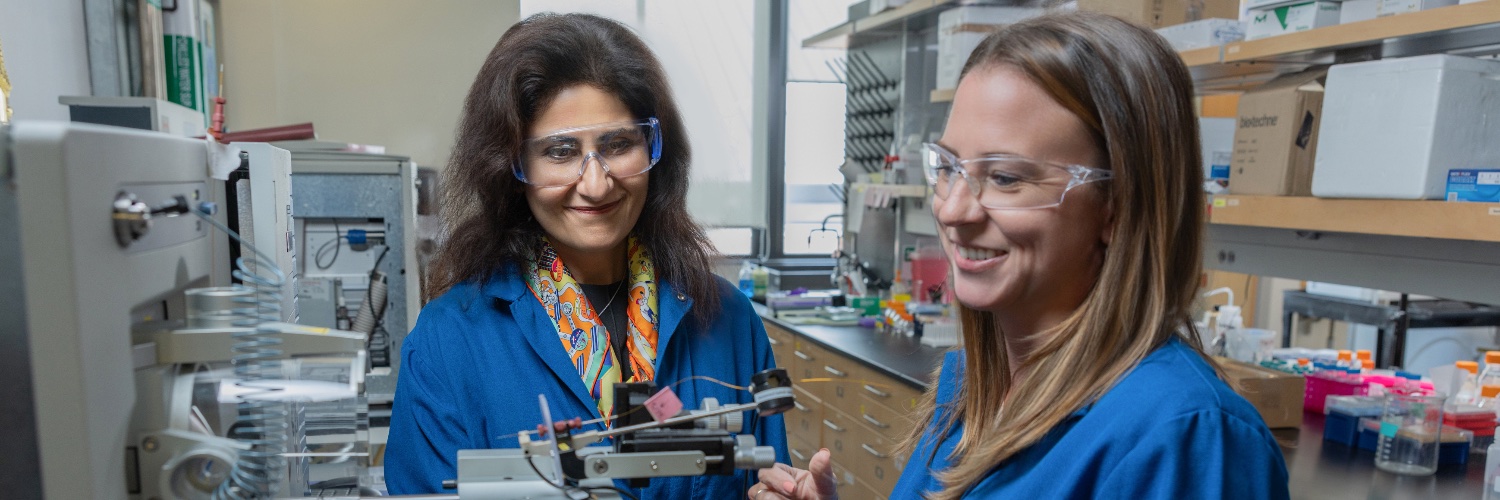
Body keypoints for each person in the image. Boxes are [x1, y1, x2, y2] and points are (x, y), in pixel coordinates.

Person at [749, 12, 1288, 500]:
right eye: (948, 167)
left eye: (1005, 178)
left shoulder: (1183, 438)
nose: (954, 211)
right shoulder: (969, 390)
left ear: (1116, 209)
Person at [385, 12, 787, 497]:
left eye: (618, 145)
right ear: (511, 166)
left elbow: (767, 479)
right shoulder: (448, 342)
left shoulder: (728, 320)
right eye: (559, 151)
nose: (595, 184)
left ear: (655, 150)